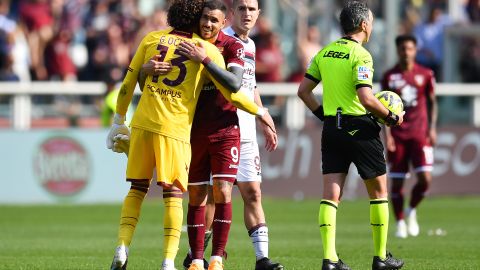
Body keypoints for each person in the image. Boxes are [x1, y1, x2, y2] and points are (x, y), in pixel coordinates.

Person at [105, 1, 275, 270]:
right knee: (173, 195)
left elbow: (129, 81)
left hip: (143, 123)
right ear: (197, 19)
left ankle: (123, 247)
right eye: (204, 19)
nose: (207, 25)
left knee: (137, 189)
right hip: (176, 130)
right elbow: (233, 90)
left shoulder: (151, 39)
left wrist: (118, 120)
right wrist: (260, 111)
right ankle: (169, 262)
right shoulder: (204, 49)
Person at [297, 2, 405, 270]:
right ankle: (381, 257)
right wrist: (391, 117)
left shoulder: (325, 52)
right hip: (360, 128)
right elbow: (366, 98)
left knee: (331, 195)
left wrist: (325, 116)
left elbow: (303, 91)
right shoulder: (362, 55)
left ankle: (329, 259)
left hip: (332, 128)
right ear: (364, 25)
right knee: (379, 192)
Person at [381, 34, 437, 239]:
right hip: (398, 135)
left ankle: (412, 210)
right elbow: (382, 108)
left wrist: (432, 128)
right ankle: (400, 222)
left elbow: (432, 102)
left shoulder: (426, 74)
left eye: (410, 48)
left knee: (425, 179)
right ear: (398, 51)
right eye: (403, 48)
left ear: (415, 50)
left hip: (420, 134)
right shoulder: (389, 76)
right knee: (396, 184)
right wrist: (387, 136)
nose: (406, 52)